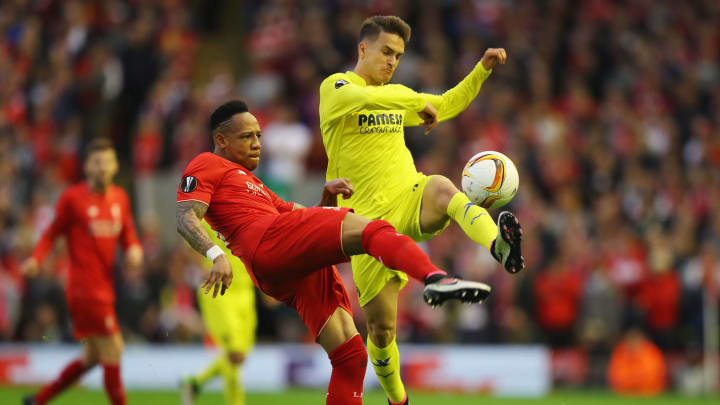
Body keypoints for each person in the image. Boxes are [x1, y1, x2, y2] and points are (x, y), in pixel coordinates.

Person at [176, 100, 493, 405]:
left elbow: (303, 225)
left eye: (259, 135)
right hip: (267, 242)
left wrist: (325, 200)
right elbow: (185, 216)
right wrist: (215, 254)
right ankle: (434, 277)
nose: (257, 143)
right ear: (221, 139)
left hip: (277, 264)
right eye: (247, 136)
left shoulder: (255, 185)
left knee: (351, 355)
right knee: (373, 230)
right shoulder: (206, 164)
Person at [318, 15, 524, 404]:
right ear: (363, 49)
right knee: (381, 331)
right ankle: (399, 399)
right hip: (364, 222)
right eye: (386, 52)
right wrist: (416, 102)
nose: (392, 61)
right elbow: (365, 99)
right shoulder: (335, 87)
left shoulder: (395, 95)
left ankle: (499, 245)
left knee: (444, 188)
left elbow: (444, 104)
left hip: (409, 195)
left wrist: (481, 70)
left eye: (398, 55)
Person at [21, 138, 143, 405]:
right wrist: (36, 259)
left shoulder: (120, 199)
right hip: (84, 289)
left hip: (105, 286)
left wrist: (134, 250)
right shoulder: (73, 198)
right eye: (96, 162)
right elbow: (51, 234)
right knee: (114, 348)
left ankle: (38, 400)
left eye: (106, 162)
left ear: (115, 166)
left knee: (92, 358)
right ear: (87, 166)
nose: (101, 167)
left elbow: (129, 234)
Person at [181, 219, 257, 405]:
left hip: (245, 290)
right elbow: (189, 241)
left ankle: (194, 383)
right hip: (219, 291)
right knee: (234, 354)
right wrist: (202, 268)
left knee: (238, 357)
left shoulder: (242, 208)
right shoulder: (204, 211)